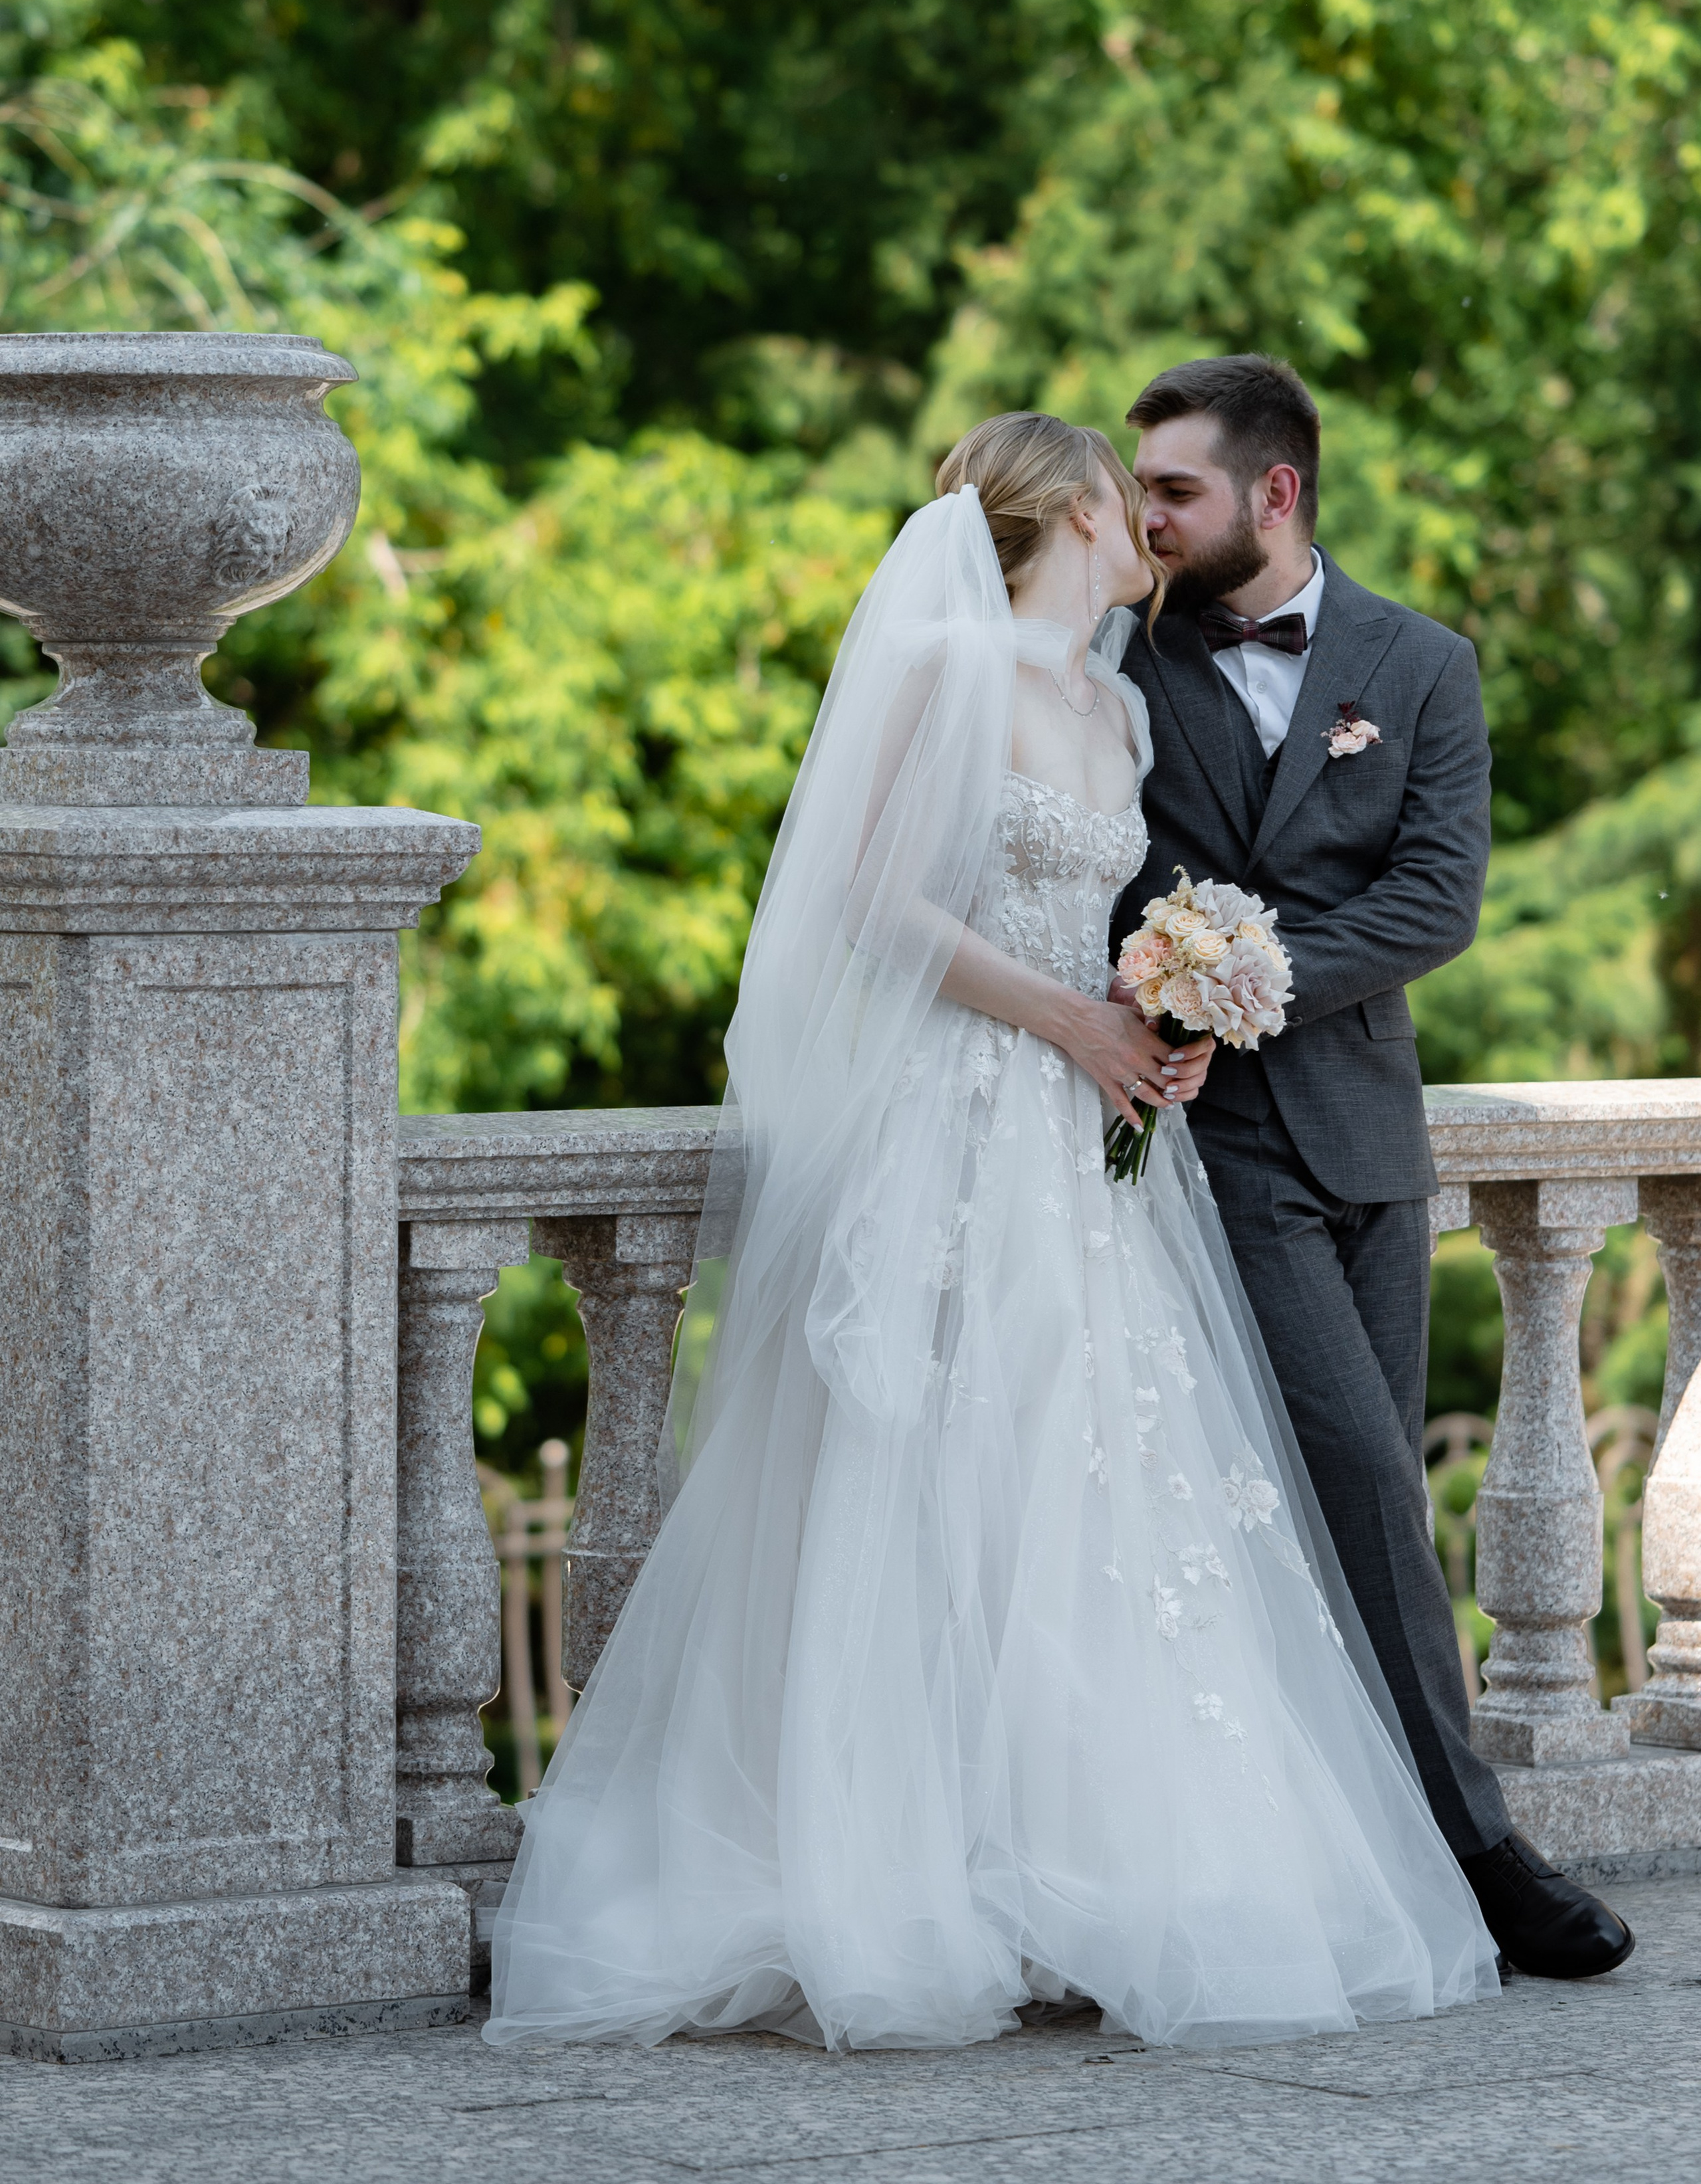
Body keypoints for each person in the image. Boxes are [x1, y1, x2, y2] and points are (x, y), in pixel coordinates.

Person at [486, 410, 1500, 2055]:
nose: (1148, 520)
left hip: (1088, 1133)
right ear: (1075, 508)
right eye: (1131, 490)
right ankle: (909, 1870)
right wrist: (1065, 1021)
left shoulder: (1111, 697)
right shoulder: (945, 669)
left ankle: (1068, 1862)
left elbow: (1123, 905)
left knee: (1081, 1475)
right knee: (929, 1475)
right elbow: (867, 902)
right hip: (958, 1110)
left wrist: (1157, 1005)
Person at [1112, 353, 1633, 1983]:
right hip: (1203, 1146)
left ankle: (1359, 1849)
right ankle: (1483, 1852)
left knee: (1353, 1505)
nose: (1147, 517)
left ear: (1274, 493)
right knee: (1355, 1486)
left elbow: (1433, 903)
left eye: (1175, 490)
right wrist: (1169, 998)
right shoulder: (1111, 661)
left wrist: (1238, 975)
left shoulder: (1420, 665)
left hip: (1370, 1145)